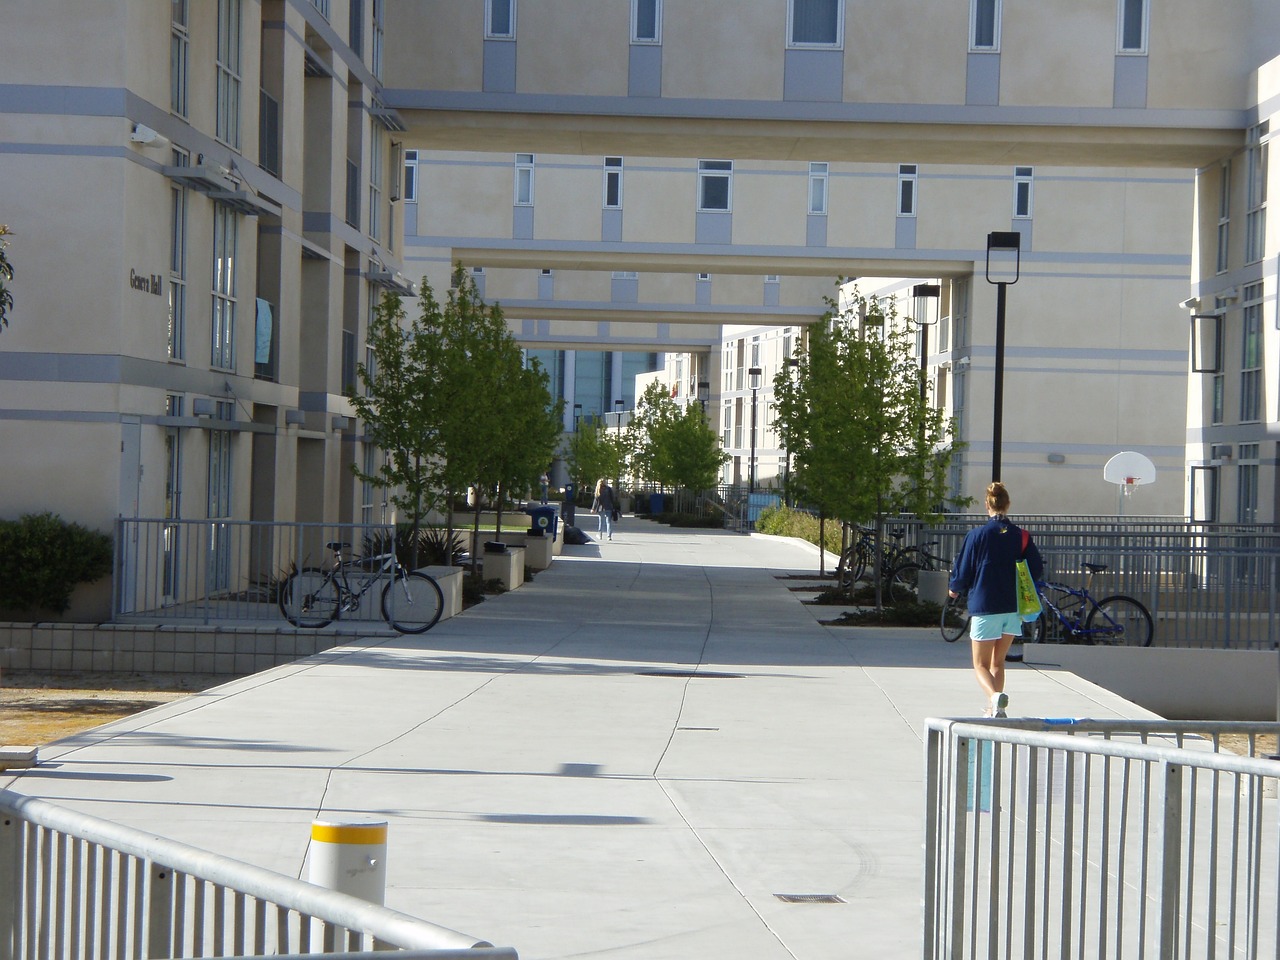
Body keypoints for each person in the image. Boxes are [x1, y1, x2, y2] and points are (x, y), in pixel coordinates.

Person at [948, 481, 1042, 718]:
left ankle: (993, 698)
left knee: (980, 664)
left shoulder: (977, 535)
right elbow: (1036, 569)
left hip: (984, 604)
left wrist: (954, 589)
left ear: (987, 506)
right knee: (998, 663)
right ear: (1007, 505)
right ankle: (994, 710)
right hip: (1013, 607)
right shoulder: (1021, 536)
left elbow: (964, 569)